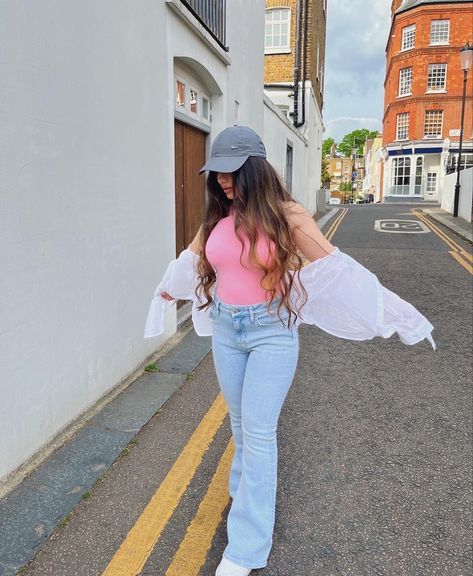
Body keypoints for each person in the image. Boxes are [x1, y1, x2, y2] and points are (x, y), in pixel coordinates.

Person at [145, 125, 435, 576]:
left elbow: (341, 271)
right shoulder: (217, 217)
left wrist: (397, 314)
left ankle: (244, 549)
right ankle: (245, 492)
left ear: (256, 168)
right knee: (240, 423)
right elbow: (192, 260)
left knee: (259, 433)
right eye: (217, 172)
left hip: (271, 332)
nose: (222, 180)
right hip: (226, 328)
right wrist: (168, 290)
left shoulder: (288, 215)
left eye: (231, 171)